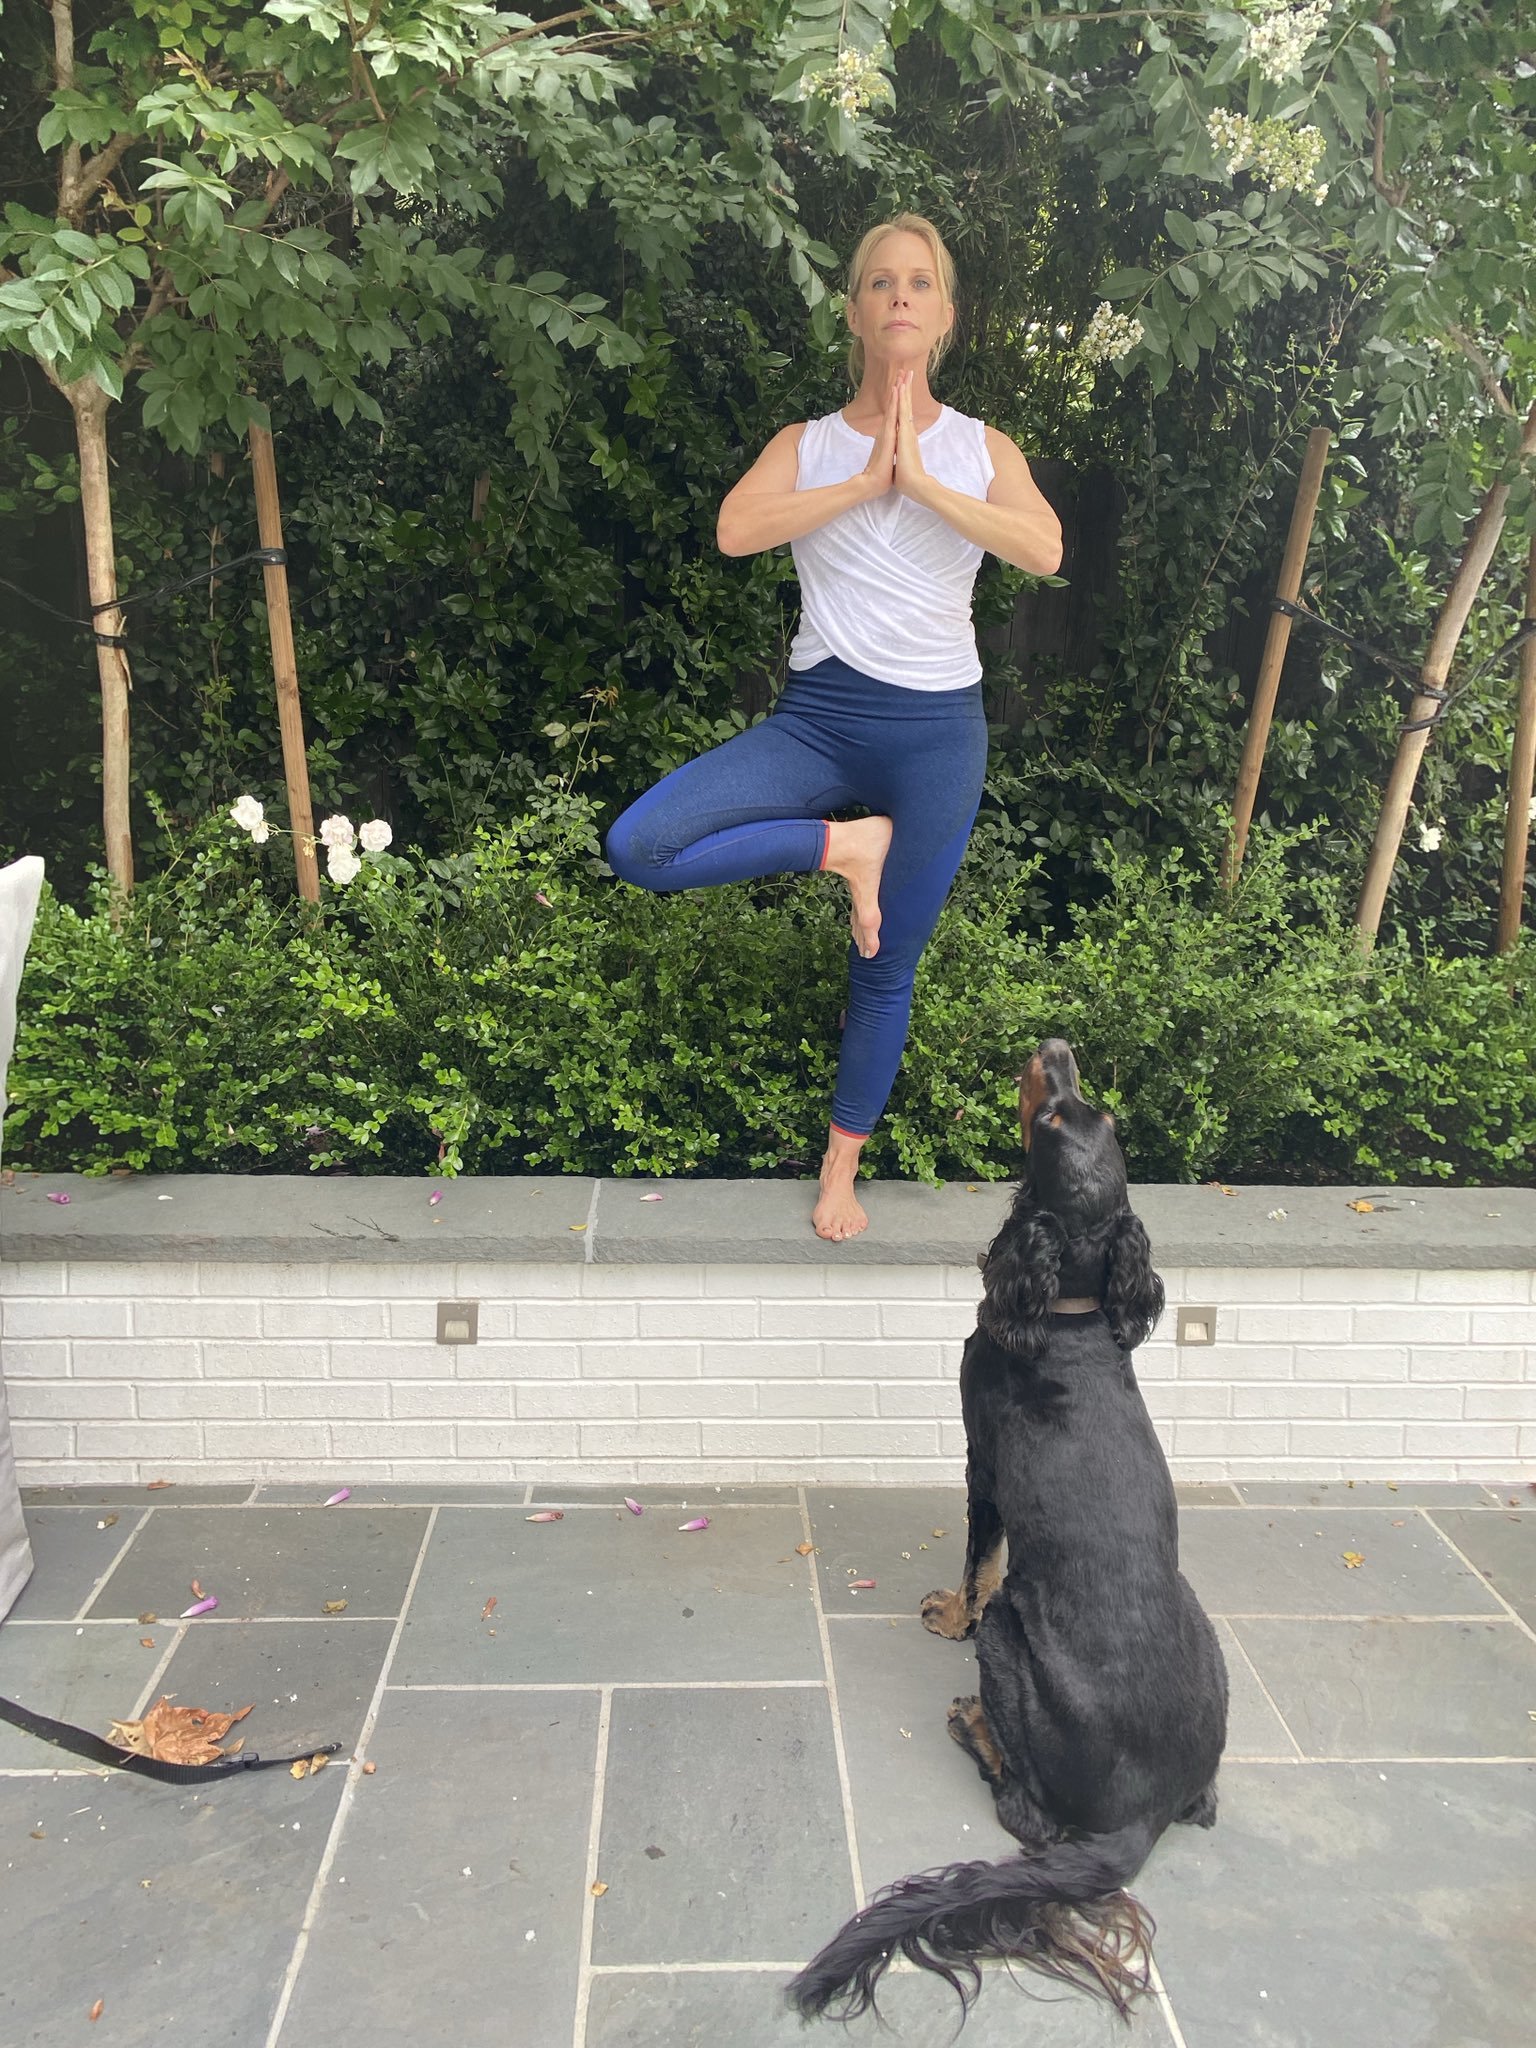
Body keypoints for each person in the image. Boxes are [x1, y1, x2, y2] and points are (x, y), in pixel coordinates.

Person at [606, 214, 1062, 1241]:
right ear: (854, 312)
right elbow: (735, 530)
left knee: (885, 962)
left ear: (944, 316)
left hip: (938, 733)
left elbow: (1043, 548)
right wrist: (863, 482)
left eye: (921, 282)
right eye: (881, 282)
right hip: (819, 720)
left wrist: (924, 482)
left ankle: (840, 1167)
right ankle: (845, 847)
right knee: (640, 845)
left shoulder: (980, 447)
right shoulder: (805, 445)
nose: (900, 295)